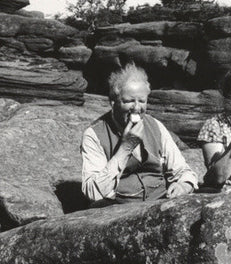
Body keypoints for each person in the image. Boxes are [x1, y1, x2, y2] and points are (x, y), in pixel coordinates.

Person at [81, 63, 197, 205]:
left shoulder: (155, 126)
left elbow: (183, 171)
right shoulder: (94, 134)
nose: (137, 108)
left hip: (160, 202)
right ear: (113, 102)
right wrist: (126, 148)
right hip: (118, 207)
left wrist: (183, 186)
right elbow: (93, 192)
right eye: (129, 101)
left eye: (142, 101)